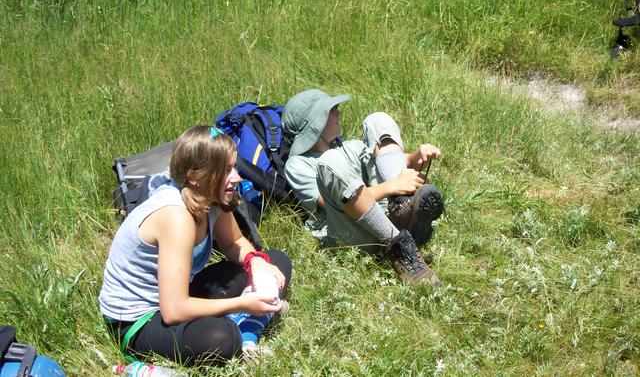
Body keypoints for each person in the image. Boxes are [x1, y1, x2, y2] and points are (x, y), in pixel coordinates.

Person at [99, 126, 292, 366]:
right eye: (226, 170)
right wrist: (242, 303)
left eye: (234, 167)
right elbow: (174, 310)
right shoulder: (176, 216)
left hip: (179, 292)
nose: (238, 178)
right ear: (194, 176)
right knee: (222, 337)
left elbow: (233, 243)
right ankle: (244, 321)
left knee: (276, 263)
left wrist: (256, 261)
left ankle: (248, 332)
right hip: (139, 321)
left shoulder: (212, 196)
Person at [282, 89, 444, 285]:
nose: (339, 113)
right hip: (350, 232)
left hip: (378, 214)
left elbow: (387, 166)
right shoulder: (297, 165)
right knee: (330, 162)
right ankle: (400, 248)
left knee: (377, 120)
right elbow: (335, 202)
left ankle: (403, 209)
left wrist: (415, 157)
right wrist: (392, 186)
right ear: (316, 124)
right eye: (332, 111)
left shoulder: (348, 147)